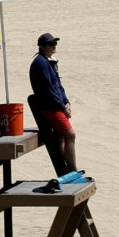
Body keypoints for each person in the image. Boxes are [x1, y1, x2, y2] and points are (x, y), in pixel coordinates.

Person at [28, 33, 78, 176]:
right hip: (50, 107)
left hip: (57, 105)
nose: (54, 46)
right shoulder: (40, 63)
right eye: (51, 44)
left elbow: (58, 85)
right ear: (42, 47)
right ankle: (73, 169)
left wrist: (66, 101)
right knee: (70, 134)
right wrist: (62, 107)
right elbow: (49, 90)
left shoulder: (49, 62)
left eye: (55, 44)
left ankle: (67, 168)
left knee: (62, 135)